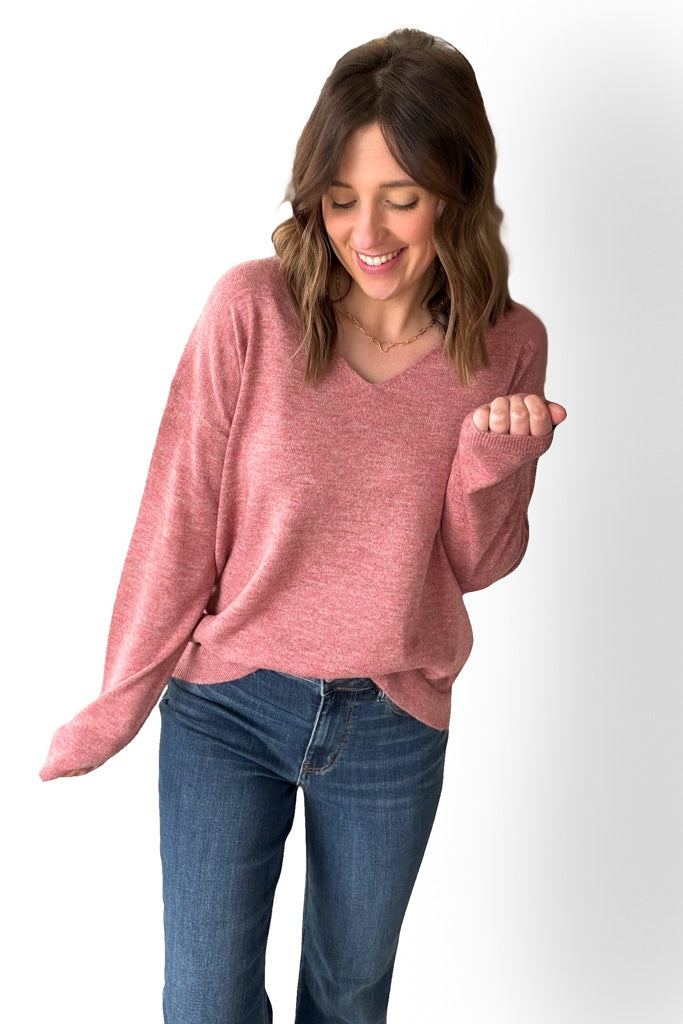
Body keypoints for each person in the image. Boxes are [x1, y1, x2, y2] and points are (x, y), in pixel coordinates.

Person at [40, 26, 566, 1024]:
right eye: (339, 198)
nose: (366, 231)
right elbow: (178, 514)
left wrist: (490, 464)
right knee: (204, 1002)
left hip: (391, 720)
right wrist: (119, 699)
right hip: (227, 707)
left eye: (399, 198)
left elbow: (476, 563)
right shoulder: (251, 310)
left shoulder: (507, 344)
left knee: (348, 999)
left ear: (455, 190)